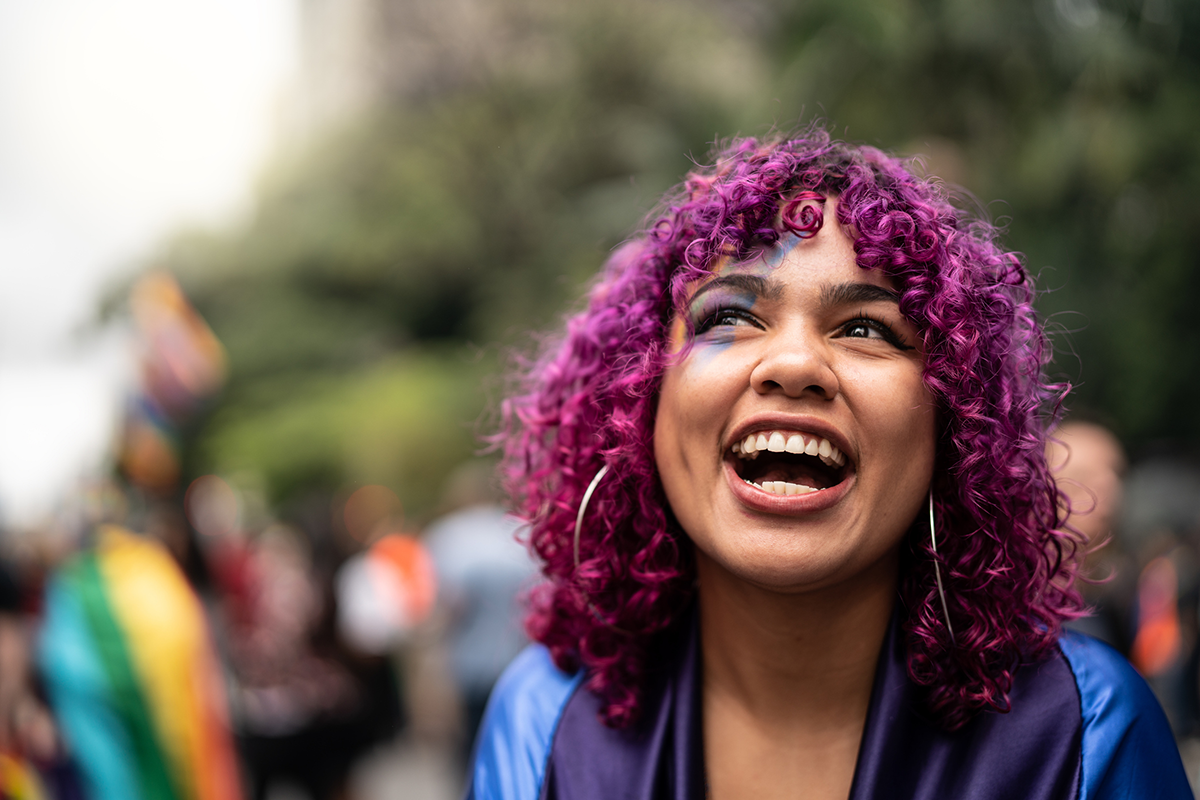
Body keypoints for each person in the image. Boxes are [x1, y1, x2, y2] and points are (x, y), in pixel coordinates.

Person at [467, 128, 1191, 799]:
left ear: (954, 424)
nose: (793, 364)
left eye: (868, 327)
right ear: (637, 400)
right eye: (728, 316)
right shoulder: (544, 725)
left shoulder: (1085, 733)